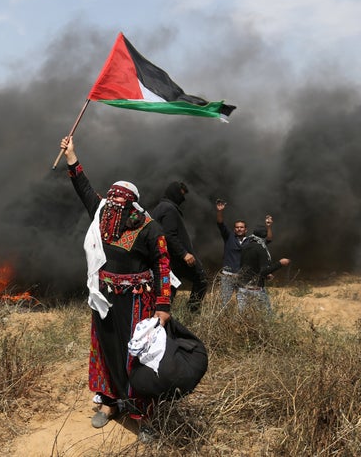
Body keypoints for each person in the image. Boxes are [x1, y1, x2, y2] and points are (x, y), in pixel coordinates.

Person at [58, 135, 173, 431]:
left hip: (137, 301)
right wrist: (72, 156)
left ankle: (141, 413)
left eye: (120, 196)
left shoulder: (149, 228)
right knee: (106, 349)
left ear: (132, 202)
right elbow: (84, 189)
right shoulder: (102, 214)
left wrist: (163, 305)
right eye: (112, 195)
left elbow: (162, 264)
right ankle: (109, 402)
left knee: (135, 353)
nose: (114, 200)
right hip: (104, 298)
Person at [151, 181, 208, 312]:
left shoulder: (161, 207)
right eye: (181, 195)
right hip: (176, 258)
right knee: (201, 279)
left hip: (168, 259)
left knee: (169, 290)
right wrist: (184, 253)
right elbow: (169, 235)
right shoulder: (168, 208)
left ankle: (164, 316)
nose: (183, 199)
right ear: (174, 193)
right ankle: (192, 312)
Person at [216, 201, 274, 307]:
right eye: (237, 227)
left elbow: (268, 240)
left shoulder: (250, 241)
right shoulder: (229, 237)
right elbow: (220, 223)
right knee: (224, 303)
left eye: (242, 227)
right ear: (234, 229)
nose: (239, 229)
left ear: (246, 229)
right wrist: (220, 211)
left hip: (243, 277)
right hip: (228, 276)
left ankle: (242, 323)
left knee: (243, 305)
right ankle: (222, 322)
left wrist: (268, 226)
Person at [237, 226, 289, 312]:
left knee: (243, 318)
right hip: (255, 290)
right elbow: (264, 271)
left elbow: (250, 267)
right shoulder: (261, 249)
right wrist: (280, 263)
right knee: (266, 316)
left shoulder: (245, 247)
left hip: (242, 289)